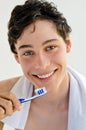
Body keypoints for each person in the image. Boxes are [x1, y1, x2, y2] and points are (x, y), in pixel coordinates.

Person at [0, 0, 86, 130]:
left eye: (50, 47)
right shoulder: (3, 94)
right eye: (28, 53)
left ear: (67, 44)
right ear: (17, 57)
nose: (42, 65)